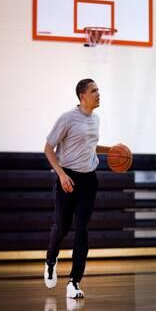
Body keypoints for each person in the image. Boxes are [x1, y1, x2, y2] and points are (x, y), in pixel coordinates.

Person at [43, 79, 111, 299]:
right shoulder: (67, 118)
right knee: (62, 227)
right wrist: (61, 175)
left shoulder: (96, 120)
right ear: (82, 96)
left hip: (89, 179)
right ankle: (51, 260)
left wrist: (113, 150)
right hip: (68, 178)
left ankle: (74, 282)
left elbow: (90, 146)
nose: (98, 94)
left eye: (98, 90)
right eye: (94, 91)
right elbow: (48, 148)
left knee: (82, 229)